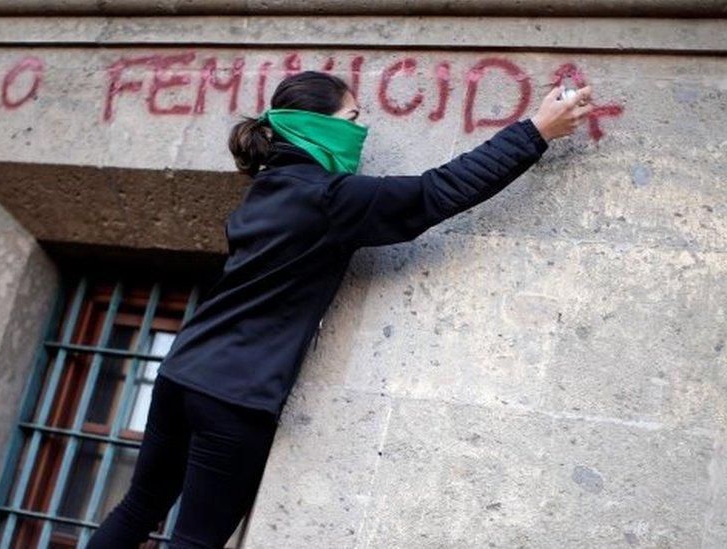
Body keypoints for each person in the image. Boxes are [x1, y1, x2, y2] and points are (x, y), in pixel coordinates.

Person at [86, 70, 594, 548]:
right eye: (352, 119)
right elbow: (437, 192)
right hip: (234, 397)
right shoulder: (331, 199)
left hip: (181, 372)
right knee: (194, 542)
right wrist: (535, 131)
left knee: (139, 507)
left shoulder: (265, 189)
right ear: (317, 126)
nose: (363, 131)